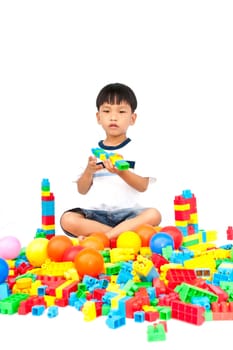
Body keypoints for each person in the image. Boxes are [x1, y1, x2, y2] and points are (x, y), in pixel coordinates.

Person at [60, 82, 161, 241]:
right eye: (107, 111)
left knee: (154, 215)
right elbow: (82, 189)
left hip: (129, 214)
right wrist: (89, 171)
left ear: (132, 118)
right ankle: (121, 236)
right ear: (98, 117)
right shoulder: (90, 152)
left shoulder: (139, 149)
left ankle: (104, 238)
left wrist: (122, 172)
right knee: (68, 219)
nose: (113, 117)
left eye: (121, 112)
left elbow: (142, 186)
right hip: (96, 216)